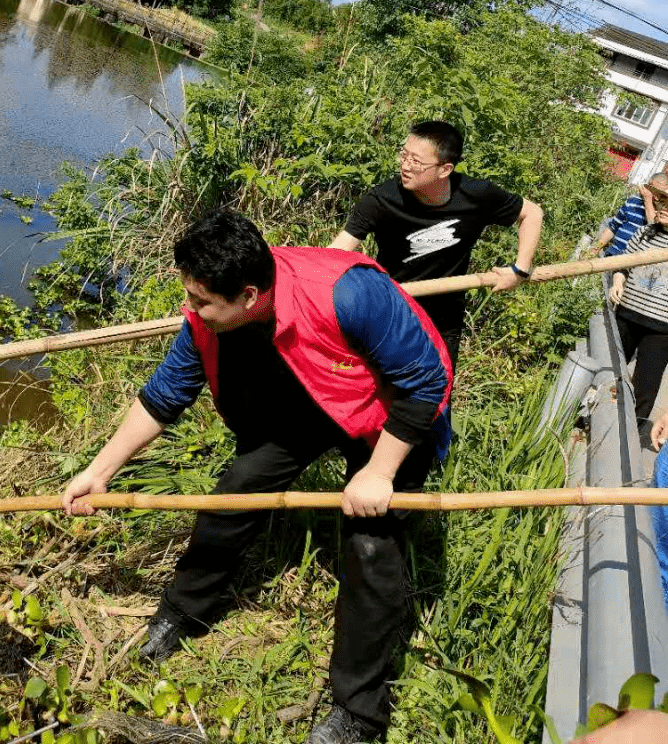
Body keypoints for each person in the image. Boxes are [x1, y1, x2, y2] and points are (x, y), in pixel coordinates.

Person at [62, 210, 453, 744]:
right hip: (314, 400)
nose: (190, 309)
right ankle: (184, 611)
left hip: (391, 419)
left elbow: (426, 382)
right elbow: (166, 392)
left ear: (249, 295)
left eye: (201, 301)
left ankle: (360, 712)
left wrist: (379, 473)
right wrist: (98, 473)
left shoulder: (349, 293)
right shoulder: (210, 316)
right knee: (237, 490)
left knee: (370, 544)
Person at [330, 120, 543, 372]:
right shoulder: (383, 199)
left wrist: (520, 270)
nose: (405, 165)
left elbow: (532, 212)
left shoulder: (476, 195)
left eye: (416, 161)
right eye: (404, 155)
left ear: (445, 169)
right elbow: (337, 252)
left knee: (434, 401)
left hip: (443, 323)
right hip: (390, 312)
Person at [608, 173, 668, 439]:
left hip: (661, 327)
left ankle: (630, 433)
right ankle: (599, 418)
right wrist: (617, 281)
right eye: (662, 201)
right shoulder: (645, 233)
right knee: (611, 371)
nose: (662, 207)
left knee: (646, 384)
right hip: (627, 313)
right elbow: (623, 262)